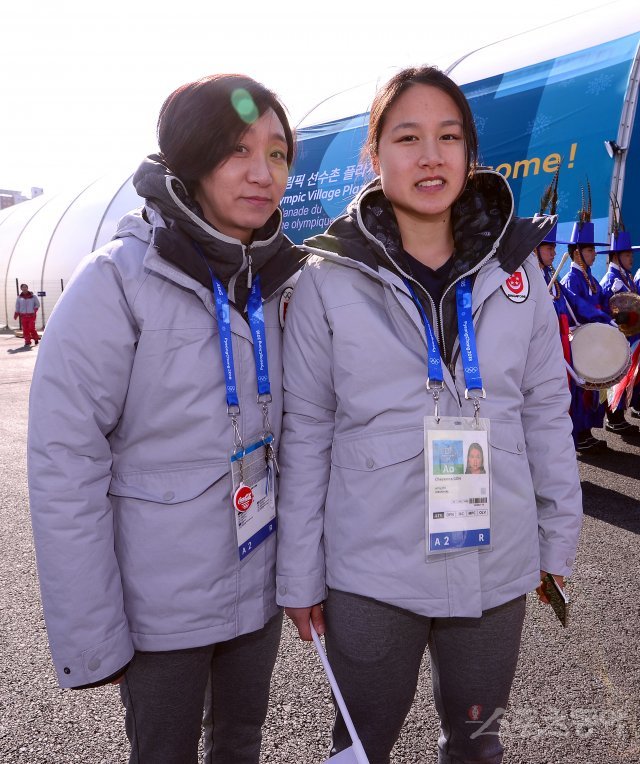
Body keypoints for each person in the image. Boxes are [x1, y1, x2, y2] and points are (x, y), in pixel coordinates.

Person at [276, 66, 583, 764]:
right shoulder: (330, 276)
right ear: (373, 155)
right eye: (407, 136)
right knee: (359, 745)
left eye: (448, 136)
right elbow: (308, 432)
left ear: (470, 156)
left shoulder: (516, 271)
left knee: (478, 742)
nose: (430, 155)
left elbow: (543, 408)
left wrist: (557, 536)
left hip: (496, 558)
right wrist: (299, 574)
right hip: (371, 568)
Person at [28, 74, 305, 764]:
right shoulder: (115, 282)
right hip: (158, 605)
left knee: (241, 742)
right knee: (165, 752)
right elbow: (65, 466)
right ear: (189, 158)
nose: (262, 172)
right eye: (237, 150)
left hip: (258, 576)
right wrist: (96, 633)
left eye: (276, 153)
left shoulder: (282, 282)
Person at [560, 196, 613, 452]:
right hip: (578, 341)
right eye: (590, 250)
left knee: (594, 389)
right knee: (581, 392)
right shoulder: (571, 280)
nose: (594, 255)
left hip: (594, 338)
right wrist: (599, 316)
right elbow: (578, 310)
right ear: (576, 253)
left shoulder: (590, 277)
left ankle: (587, 430)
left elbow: (602, 301)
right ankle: (579, 434)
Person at [598, 218, 640, 433]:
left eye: (631, 254)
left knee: (624, 375)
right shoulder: (610, 280)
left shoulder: (627, 276)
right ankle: (613, 419)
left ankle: (619, 416)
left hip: (629, 337)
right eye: (626, 255)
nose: (631, 258)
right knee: (614, 378)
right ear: (615, 257)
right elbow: (608, 311)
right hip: (616, 338)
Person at [14, 283, 40, 348]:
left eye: (25, 287)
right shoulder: (19, 298)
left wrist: (34, 310)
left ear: (27, 288)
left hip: (31, 315)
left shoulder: (33, 296)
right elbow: (17, 306)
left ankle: (36, 338)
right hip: (23, 316)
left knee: (31, 328)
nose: (24, 288)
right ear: (21, 289)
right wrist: (16, 314)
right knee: (25, 329)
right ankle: (27, 341)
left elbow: (37, 304)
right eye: (23, 287)